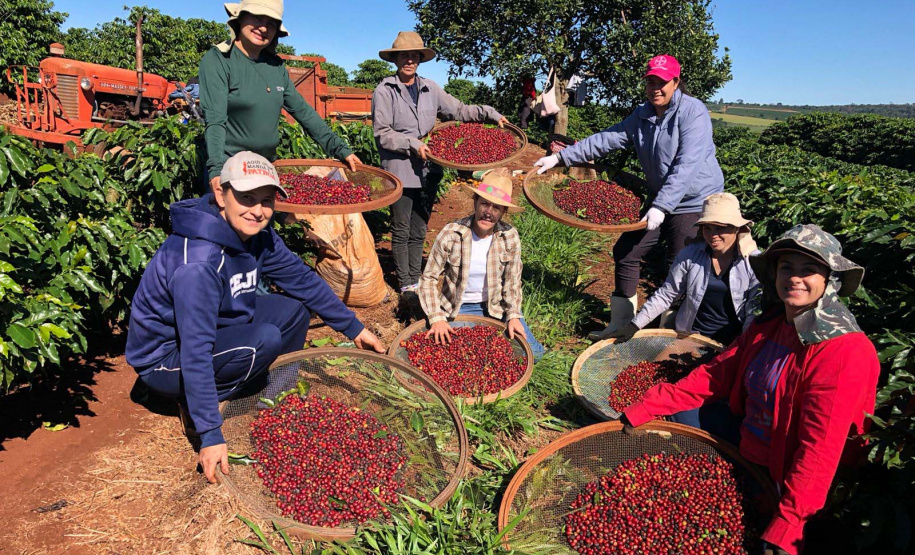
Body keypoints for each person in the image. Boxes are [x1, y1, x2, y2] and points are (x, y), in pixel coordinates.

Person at [126, 151, 385, 484]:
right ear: (221, 193)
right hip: (166, 360)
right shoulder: (199, 264)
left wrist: (354, 328)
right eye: (246, 197)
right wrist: (210, 434)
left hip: (216, 325)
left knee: (292, 311)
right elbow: (195, 348)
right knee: (264, 340)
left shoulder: (257, 236)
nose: (258, 210)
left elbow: (303, 281)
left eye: (266, 200)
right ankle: (198, 406)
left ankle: (271, 395)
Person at [620, 224, 880, 555]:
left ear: (829, 280)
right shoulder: (769, 325)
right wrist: (650, 404)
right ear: (774, 273)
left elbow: (820, 448)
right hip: (749, 441)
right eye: (787, 267)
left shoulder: (842, 350)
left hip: (786, 468)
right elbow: (716, 375)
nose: (795, 278)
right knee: (682, 413)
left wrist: (790, 523)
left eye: (809, 270)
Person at [534, 55, 724, 337]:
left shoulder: (692, 112)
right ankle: (621, 324)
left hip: (694, 200)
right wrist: (561, 158)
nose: (655, 88)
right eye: (650, 81)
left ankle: (668, 333)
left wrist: (661, 206)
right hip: (662, 197)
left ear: (675, 82)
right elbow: (607, 139)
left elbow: (687, 164)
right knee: (627, 251)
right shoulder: (643, 114)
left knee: (679, 264)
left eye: (661, 82)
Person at [372, 31, 508, 297]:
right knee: (401, 226)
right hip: (400, 168)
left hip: (428, 169)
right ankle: (406, 283)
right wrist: (413, 144)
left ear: (420, 59)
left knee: (420, 226)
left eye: (414, 56)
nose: (409, 61)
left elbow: (459, 110)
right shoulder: (385, 91)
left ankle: (416, 278)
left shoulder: (430, 88)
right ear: (396, 59)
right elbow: (383, 133)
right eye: (404, 56)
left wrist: (490, 113)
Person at [199, 0, 361, 193]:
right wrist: (216, 171)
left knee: (263, 222)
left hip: (264, 169)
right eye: (257, 18)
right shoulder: (219, 60)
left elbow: (304, 112)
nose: (263, 28)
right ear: (241, 18)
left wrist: (340, 149)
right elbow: (215, 120)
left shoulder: (275, 67)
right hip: (230, 171)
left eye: (272, 23)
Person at [417, 170, 545, 361]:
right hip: (458, 308)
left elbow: (512, 281)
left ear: (504, 212)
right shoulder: (452, 234)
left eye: (497, 208)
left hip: (496, 307)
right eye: (485, 203)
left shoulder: (509, 236)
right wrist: (437, 317)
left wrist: (513, 314)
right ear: (475, 202)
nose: (489, 212)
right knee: (456, 357)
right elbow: (428, 278)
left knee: (533, 355)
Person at [604, 192, 760, 345]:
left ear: (736, 228)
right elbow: (667, 294)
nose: (713, 235)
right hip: (692, 335)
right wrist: (634, 325)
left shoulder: (753, 262)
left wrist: (742, 348)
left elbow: (753, 312)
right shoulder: (691, 254)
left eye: (720, 228)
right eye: (708, 228)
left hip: (732, 342)